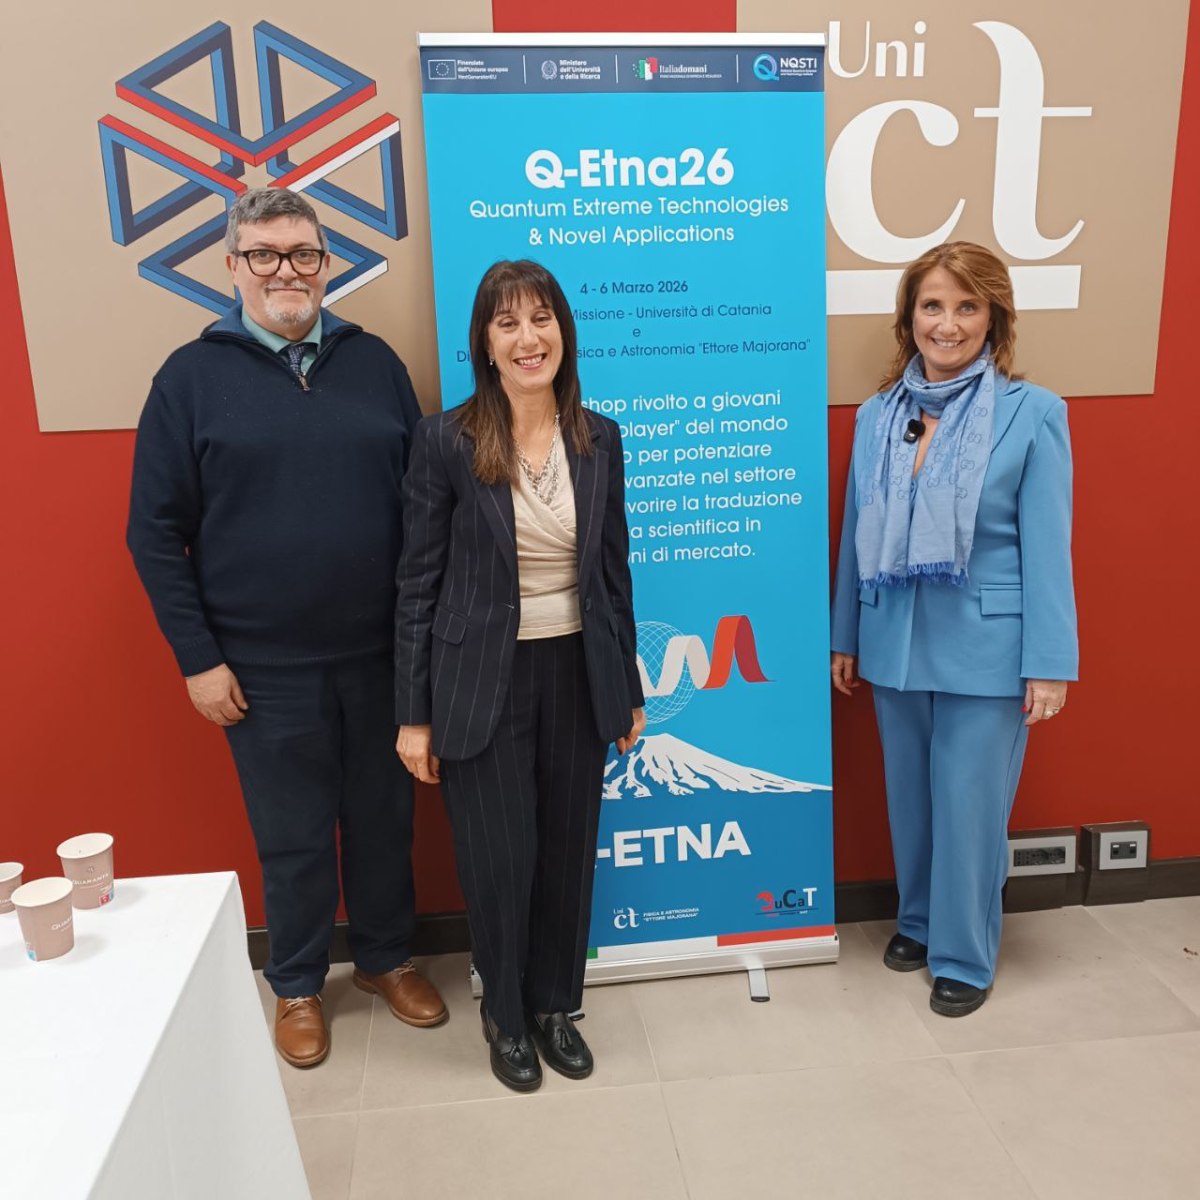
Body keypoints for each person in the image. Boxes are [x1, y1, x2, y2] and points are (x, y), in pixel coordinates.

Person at [127, 187, 446, 1069]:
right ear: (232, 266)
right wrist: (199, 659)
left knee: (384, 822)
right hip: (262, 669)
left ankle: (385, 959)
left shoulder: (374, 364)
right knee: (294, 837)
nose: (286, 272)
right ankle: (299, 983)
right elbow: (152, 533)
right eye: (264, 254)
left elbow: (425, 509)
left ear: (326, 263)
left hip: (382, 657)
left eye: (303, 253)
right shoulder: (189, 380)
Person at [395, 259, 645, 1091]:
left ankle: (553, 1007)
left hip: (578, 670)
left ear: (563, 333)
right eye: (507, 323)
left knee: (568, 853)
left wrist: (627, 689)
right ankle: (504, 1013)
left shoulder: (599, 438)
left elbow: (612, 574)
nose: (527, 338)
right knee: (500, 861)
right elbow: (417, 583)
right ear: (485, 343)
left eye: (541, 319)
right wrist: (414, 714)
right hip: (480, 682)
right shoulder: (446, 439)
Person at [831, 241, 1078, 1017]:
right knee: (911, 800)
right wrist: (847, 634)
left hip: (988, 649)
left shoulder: (1034, 415)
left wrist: (1050, 662)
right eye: (933, 305)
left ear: (994, 318)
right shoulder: (878, 416)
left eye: (968, 306)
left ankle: (964, 954)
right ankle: (918, 921)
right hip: (894, 642)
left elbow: (1049, 547)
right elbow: (856, 532)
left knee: (969, 807)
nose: (948, 323)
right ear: (909, 317)